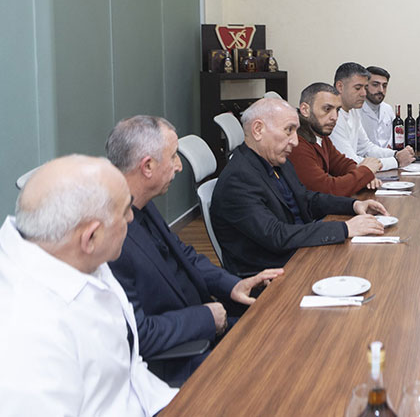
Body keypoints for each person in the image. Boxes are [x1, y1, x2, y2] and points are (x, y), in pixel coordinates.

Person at [106, 115, 283, 386]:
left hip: (204, 328)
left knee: (282, 330)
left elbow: (183, 255)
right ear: (148, 166)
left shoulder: (140, 203)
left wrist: (233, 285)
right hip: (178, 359)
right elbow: (138, 334)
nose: (179, 166)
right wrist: (206, 318)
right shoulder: (111, 238)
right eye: (173, 156)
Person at [0, 155, 177, 415]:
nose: (131, 218)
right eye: (124, 211)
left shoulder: (73, 254)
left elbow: (129, 372)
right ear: (91, 237)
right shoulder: (26, 337)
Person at [211, 97, 387, 275]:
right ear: (258, 130)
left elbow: (306, 199)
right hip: (274, 275)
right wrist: (345, 228)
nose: (295, 141)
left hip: (300, 254)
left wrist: (353, 205)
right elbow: (276, 235)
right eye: (289, 130)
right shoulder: (238, 179)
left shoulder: (276, 161)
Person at [289, 82, 384, 195]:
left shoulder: (320, 135)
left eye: (337, 110)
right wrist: (365, 171)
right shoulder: (296, 143)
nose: (334, 117)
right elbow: (328, 188)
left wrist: (364, 177)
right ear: (305, 110)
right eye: (327, 109)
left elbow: (341, 164)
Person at [331, 62, 414, 170]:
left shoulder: (353, 111)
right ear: (340, 87)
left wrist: (395, 154)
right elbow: (351, 163)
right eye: (358, 88)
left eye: (365, 87)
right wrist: (396, 161)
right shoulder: (332, 117)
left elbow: (366, 148)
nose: (364, 93)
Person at [360, 65, 394, 149]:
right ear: (365, 85)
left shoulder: (388, 109)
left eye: (384, 86)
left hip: (389, 155)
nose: (381, 90)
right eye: (375, 85)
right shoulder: (356, 110)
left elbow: (394, 137)